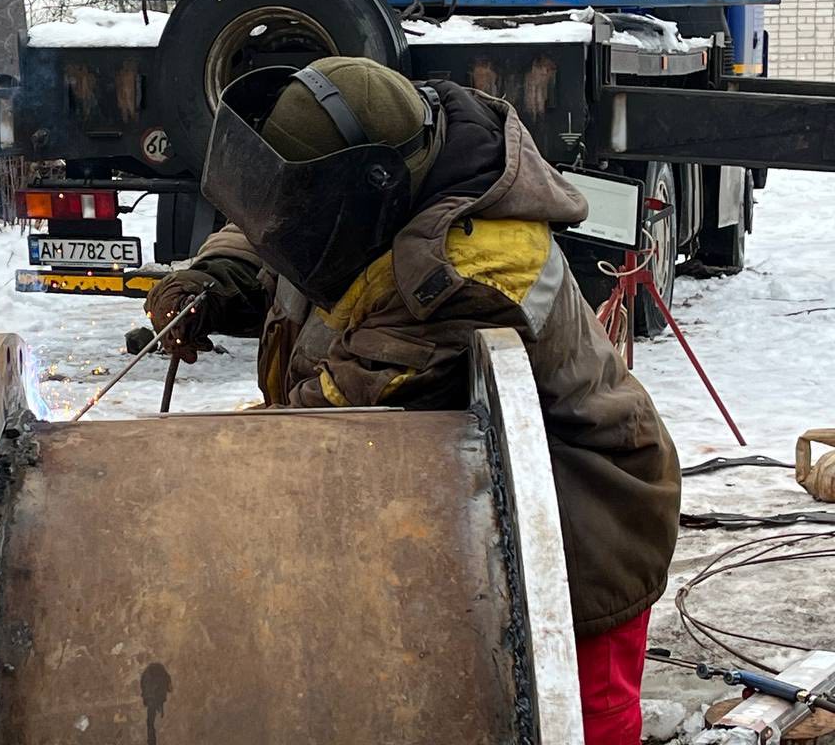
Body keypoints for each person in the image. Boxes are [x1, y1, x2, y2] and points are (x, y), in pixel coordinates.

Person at [145, 56, 681, 744]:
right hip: (459, 508)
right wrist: (214, 280)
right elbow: (273, 218)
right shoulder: (386, 162)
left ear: (366, 188)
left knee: (572, 716)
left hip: (581, 515)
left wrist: (172, 481)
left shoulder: (474, 270)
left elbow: (327, 424)